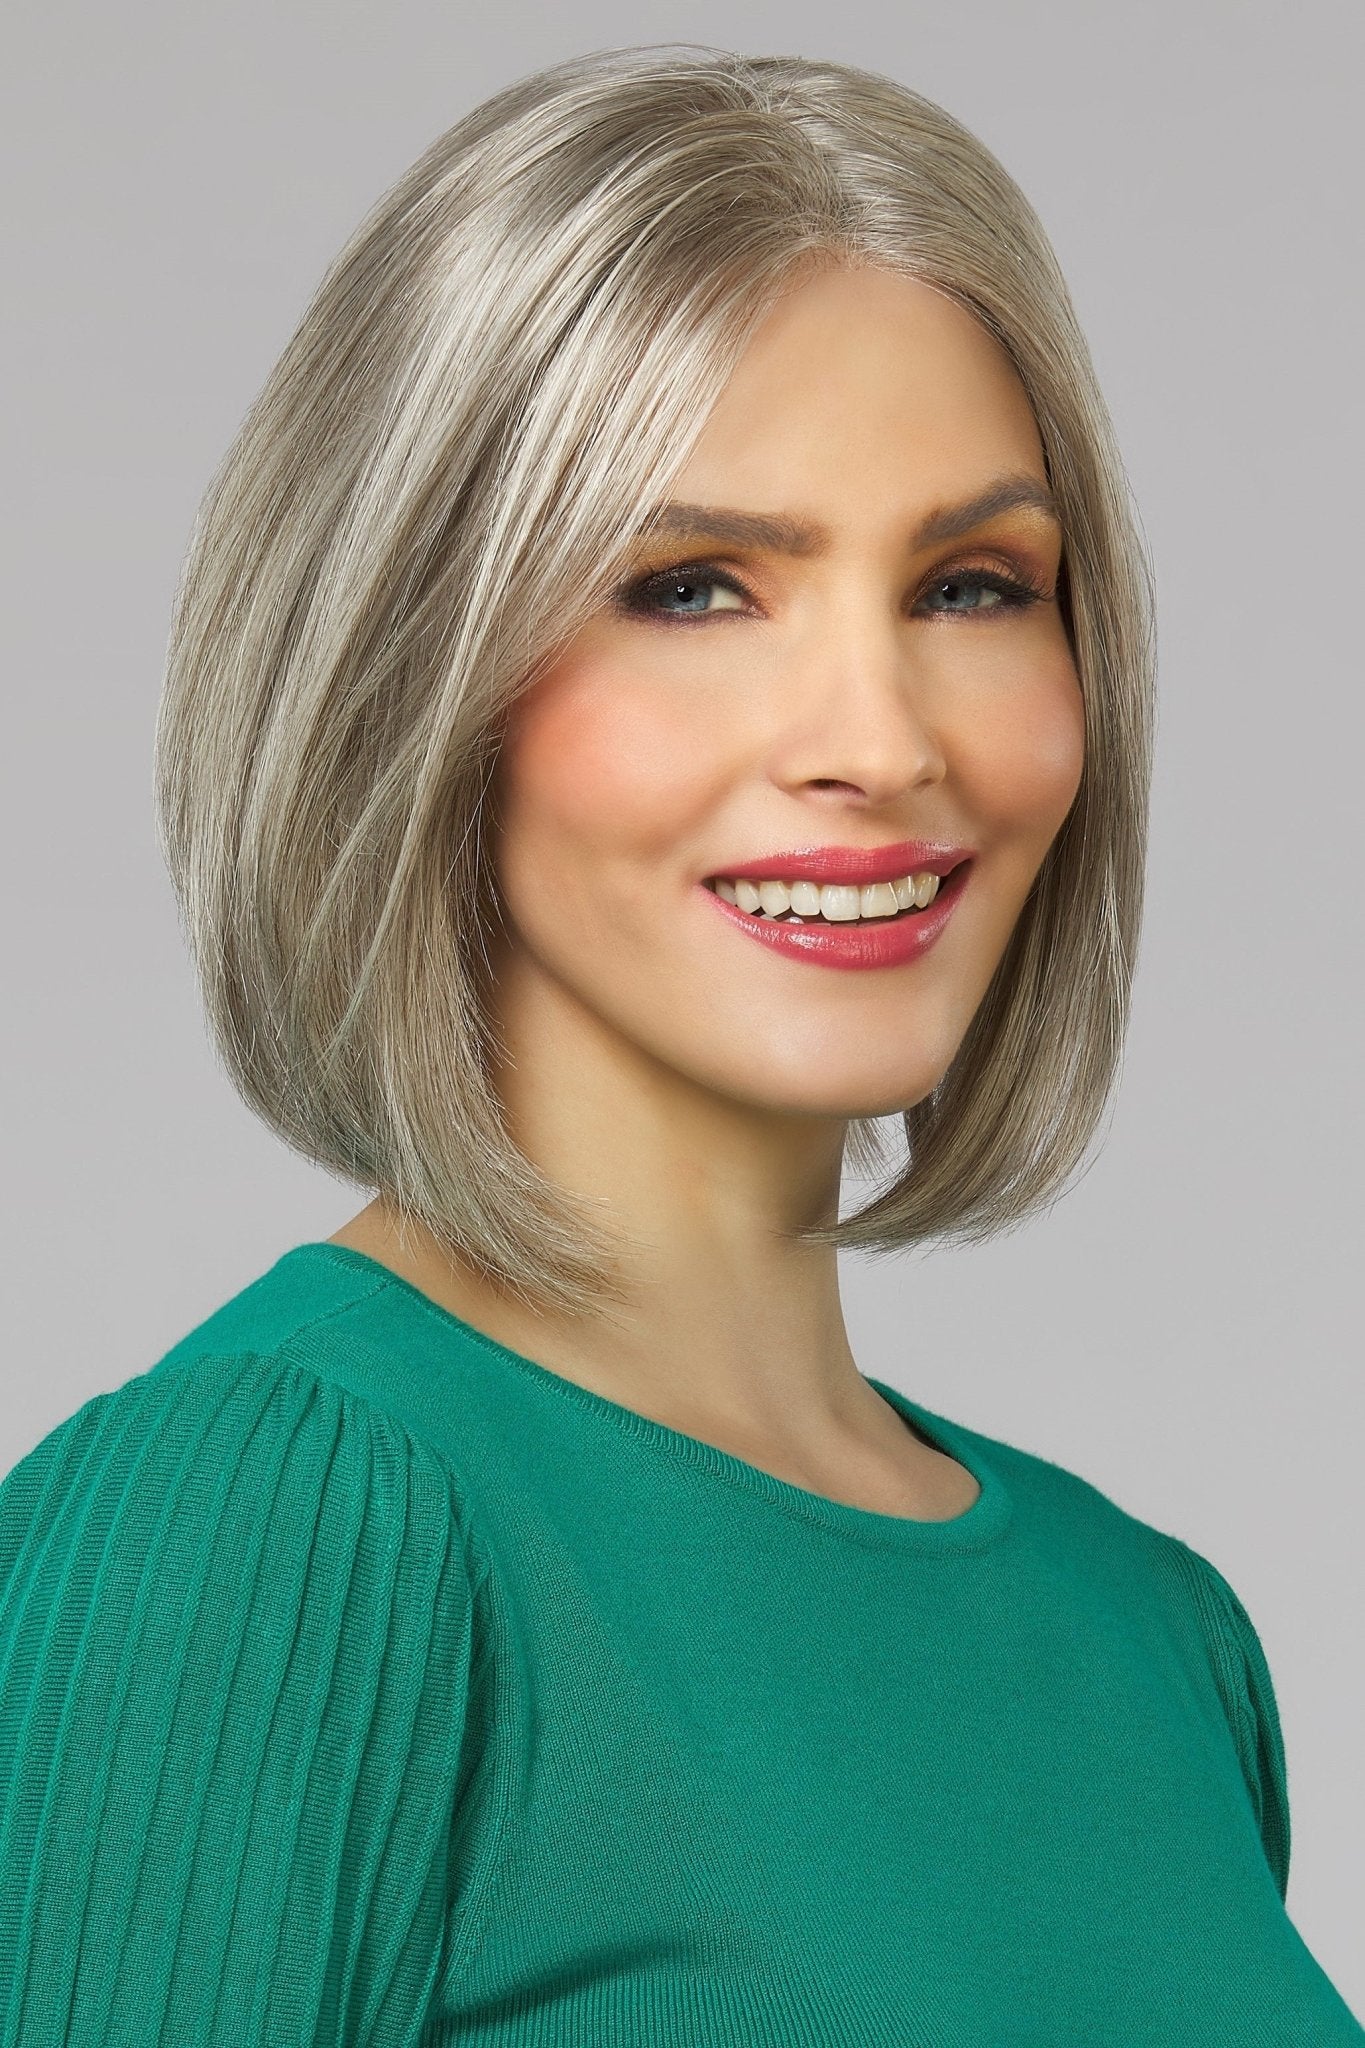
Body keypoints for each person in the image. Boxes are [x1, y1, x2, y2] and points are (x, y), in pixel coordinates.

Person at [1, 42, 1360, 2046]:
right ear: (411, 670)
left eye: (970, 584)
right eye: (693, 586)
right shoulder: (264, 1525)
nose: (879, 740)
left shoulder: (1153, 1634)